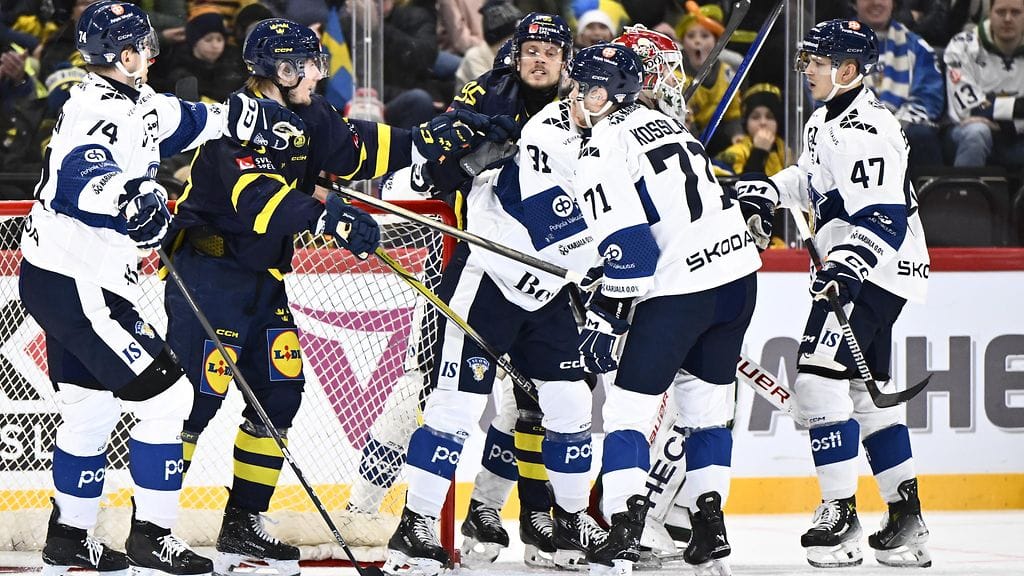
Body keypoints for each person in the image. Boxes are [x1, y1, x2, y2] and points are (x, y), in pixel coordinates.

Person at [160, 16, 506, 575]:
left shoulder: (310, 113)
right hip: (208, 274)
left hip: (263, 279)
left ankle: (242, 523)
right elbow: (259, 198)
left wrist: (438, 135)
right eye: (309, 65)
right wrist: (329, 217)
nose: (319, 73)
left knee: (279, 395)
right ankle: (152, 527)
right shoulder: (235, 123)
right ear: (281, 69)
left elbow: (360, 149)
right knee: (194, 403)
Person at [18, 1, 305, 574]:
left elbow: (189, 120)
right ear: (124, 54)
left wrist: (251, 119)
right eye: (143, 45)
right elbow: (83, 176)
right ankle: (152, 536)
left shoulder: (136, 101)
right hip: (80, 282)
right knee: (170, 398)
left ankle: (68, 538)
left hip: (62, 277)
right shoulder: (96, 109)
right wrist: (128, 199)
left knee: (90, 410)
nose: (151, 52)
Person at [382, 43, 609, 576]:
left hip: (548, 290)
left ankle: (569, 519)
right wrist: (605, 268)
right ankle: (415, 524)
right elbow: (548, 217)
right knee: (454, 408)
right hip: (489, 280)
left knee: (570, 403)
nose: (596, 100)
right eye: (589, 91)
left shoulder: (602, 138)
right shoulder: (544, 130)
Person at [737, 19, 931, 568]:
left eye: (818, 62)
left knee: (817, 384)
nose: (808, 70)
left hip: (874, 272)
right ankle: (906, 520)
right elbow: (812, 181)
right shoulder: (827, 118)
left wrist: (847, 269)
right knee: (865, 397)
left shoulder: (866, 129)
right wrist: (768, 190)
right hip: (876, 272)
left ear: (848, 69)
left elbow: (884, 216)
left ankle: (840, 517)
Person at [567, 42, 761, 576]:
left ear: (612, 94)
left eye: (588, 89)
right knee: (706, 411)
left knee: (627, 413)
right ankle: (709, 528)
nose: (577, 97)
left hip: (681, 290)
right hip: (737, 280)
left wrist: (604, 317)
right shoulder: (668, 124)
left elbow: (633, 255)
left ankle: (624, 530)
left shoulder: (601, 147)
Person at [855, 0, 946, 172]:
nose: (876, 2)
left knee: (921, 135)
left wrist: (890, 127)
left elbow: (928, 99)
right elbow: (824, 98)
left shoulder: (918, 47)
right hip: (851, 129)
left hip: (904, 128)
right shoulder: (833, 46)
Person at [943, 0, 1024, 169]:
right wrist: (1018, 107)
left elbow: (982, 108)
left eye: (1015, 12)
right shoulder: (962, 45)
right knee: (977, 131)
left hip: (1018, 133)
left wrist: (1004, 124)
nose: (1008, 19)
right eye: (1001, 12)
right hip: (965, 131)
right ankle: (963, 187)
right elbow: (969, 108)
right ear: (989, 14)